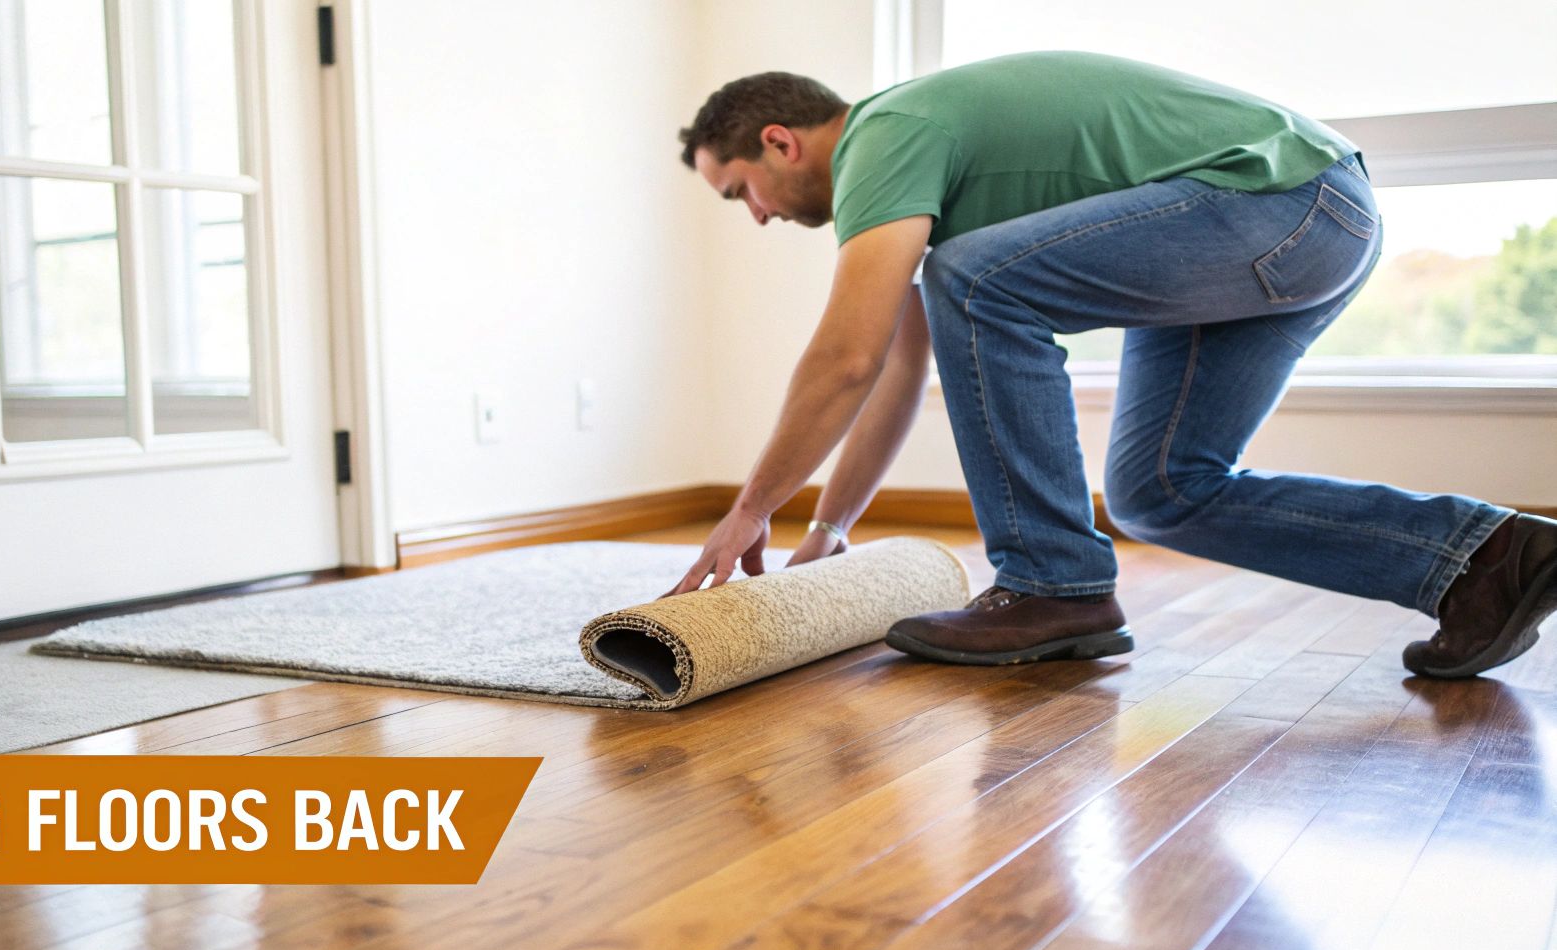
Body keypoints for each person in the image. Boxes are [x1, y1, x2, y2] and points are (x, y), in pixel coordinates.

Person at [662, 50, 1557, 679]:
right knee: (1160, 490)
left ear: (779, 141)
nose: (757, 216)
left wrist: (749, 510)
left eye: (739, 191)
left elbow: (843, 359)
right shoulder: (909, 172)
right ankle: (1486, 558)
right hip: (1307, 218)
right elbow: (896, 371)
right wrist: (829, 531)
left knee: (969, 277)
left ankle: (1053, 585)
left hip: (1279, 202)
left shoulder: (884, 135)